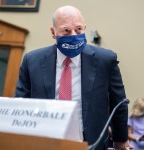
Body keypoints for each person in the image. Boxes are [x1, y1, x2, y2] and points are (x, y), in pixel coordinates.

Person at [15, 5, 132, 150]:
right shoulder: (32, 61)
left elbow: (119, 102)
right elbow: (21, 103)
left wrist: (120, 139)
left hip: (90, 142)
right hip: (44, 140)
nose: (73, 35)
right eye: (66, 30)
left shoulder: (105, 60)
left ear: (84, 28)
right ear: (53, 32)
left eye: (78, 29)